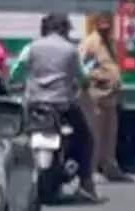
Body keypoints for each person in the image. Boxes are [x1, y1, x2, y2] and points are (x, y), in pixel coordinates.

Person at [7, 13, 100, 200]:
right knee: (86, 138)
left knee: (16, 137)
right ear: (63, 30)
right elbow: (82, 77)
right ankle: (86, 182)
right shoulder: (71, 50)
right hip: (63, 106)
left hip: (35, 105)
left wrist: (15, 83)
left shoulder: (31, 48)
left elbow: (15, 73)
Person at [77, 13, 131, 182]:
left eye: (108, 23)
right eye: (102, 24)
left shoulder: (109, 42)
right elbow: (81, 66)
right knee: (95, 134)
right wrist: (97, 76)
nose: (106, 27)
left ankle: (109, 165)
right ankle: (92, 170)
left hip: (110, 96)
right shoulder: (90, 42)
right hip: (96, 95)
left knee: (110, 133)